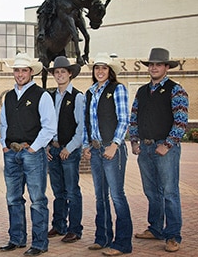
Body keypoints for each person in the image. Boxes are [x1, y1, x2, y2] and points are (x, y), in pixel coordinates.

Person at [129, 48, 189, 253]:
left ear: (166, 67)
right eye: (151, 64)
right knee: (151, 192)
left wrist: (168, 144)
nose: (154, 67)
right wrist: (134, 141)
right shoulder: (142, 91)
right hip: (145, 148)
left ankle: (173, 235)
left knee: (170, 192)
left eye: (158, 64)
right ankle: (155, 228)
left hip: (165, 148)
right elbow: (134, 117)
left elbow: (181, 121)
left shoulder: (176, 90)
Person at [0, 53, 57, 256]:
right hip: (11, 153)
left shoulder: (42, 95)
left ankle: (40, 243)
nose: (20, 73)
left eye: (24, 70)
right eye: (17, 70)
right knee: (13, 198)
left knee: (37, 199)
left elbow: (49, 127)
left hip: (32, 153)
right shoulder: (9, 96)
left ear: (31, 72)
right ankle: (17, 239)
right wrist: (4, 145)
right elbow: (3, 123)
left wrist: (34, 148)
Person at [82, 52, 132, 256]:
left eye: (104, 68)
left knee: (117, 196)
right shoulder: (90, 92)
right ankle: (102, 238)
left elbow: (123, 119)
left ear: (110, 71)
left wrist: (115, 144)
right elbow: (88, 122)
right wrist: (86, 144)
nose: (100, 71)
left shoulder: (117, 89)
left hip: (112, 149)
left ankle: (122, 244)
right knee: (100, 196)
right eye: (97, 68)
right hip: (95, 149)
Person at [45, 56, 84, 243]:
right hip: (53, 150)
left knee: (72, 191)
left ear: (70, 74)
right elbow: (45, 123)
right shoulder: (50, 96)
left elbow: (81, 127)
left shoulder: (77, 97)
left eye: (63, 71)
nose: (59, 75)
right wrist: (46, 145)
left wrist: (69, 148)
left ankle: (75, 229)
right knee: (58, 191)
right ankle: (59, 225)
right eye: (56, 72)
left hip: (69, 151)